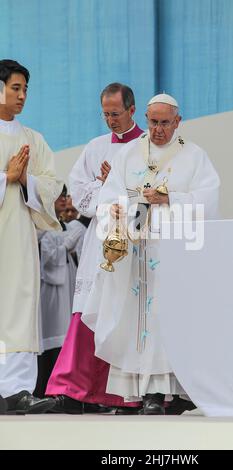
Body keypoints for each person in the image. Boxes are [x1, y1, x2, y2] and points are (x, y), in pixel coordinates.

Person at [82, 93, 220, 414]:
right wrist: (118, 213)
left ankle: (171, 392)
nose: (158, 129)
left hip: (175, 254)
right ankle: (142, 392)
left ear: (178, 121)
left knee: (167, 318)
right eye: (153, 122)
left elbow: (208, 199)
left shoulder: (194, 156)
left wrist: (169, 198)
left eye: (165, 123)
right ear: (145, 119)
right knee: (138, 319)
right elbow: (111, 195)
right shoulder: (130, 154)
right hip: (137, 251)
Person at [46, 83, 144, 414]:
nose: (110, 121)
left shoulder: (148, 146)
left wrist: (118, 185)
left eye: (116, 114)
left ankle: (124, 395)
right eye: (105, 114)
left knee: (127, 315)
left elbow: (152, 194)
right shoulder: (95, 146)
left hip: (133, 236)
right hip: (100, 239)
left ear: (131, 109)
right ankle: (73, 389)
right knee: (87, 313)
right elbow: (78, 196)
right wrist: (105, 184)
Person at [0, 59, 62, 413]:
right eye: (15, 88)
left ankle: (19, 389)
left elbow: (52, 185)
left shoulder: (31, 140)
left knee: (20, 303)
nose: (22, 96)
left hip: (20, 236)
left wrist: (26, 181)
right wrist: (5, 177)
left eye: (25, 89)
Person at [34, 185, 86, 398]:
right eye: (59, 196)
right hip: (48, 287)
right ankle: (43, 389)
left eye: (65, 195)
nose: (64, 200)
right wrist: (65, 246)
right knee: (50, 334)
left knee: (64, 333)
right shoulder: (41, 225)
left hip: (67, 283)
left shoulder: (63, 227)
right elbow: (47, 257)